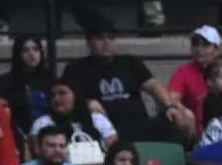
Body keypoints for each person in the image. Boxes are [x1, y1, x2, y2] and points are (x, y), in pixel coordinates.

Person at [61, 19, 194, 143]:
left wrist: (169, 106)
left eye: (110, 38)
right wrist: (87, 103)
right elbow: (66, 97)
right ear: (89, 42)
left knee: (177, 120)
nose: (106, 42)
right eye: (100, 38)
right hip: (105, 127)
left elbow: (153, 85)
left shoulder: (130, 62)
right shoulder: (76, 68)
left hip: (140, 123)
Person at [169, 26, 222, 133]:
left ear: (216, 50)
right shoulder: (183, 71)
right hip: (198, 131)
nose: (199, 49)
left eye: (205, 45)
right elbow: (171, 99)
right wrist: (183, 111)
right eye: (195, 44)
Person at [0, 36, 55, 152]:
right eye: (26, 50)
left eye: (36, 49)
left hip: (48, 134)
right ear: (18, 54)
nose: (32, 54)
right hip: (18, 135)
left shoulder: (50, 79)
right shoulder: (6, 81)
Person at [29, 78, 117, 162]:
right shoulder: (43, 123)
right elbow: (37, 154)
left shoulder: (97, 119)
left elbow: (114, 151)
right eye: (53, 95)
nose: (56, 99)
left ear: (76, 95)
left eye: (62, 93)